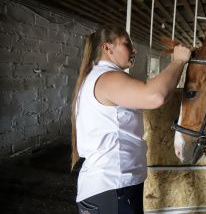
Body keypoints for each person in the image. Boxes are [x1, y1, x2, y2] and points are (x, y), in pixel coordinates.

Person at [70, 25, 191, 214]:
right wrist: (179, 61)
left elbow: (160, 96)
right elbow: (155, 96)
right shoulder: (106, 78)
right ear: (107, 48)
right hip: (112, 186)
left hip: (113, 187)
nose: (134, 50)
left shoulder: (98, 77)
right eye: (127, 44)